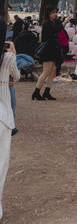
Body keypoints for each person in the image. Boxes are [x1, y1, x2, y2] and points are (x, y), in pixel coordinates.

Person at [0, 18, 19, 218]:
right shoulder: (8, 58)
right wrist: (12, 51)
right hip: (2, 115)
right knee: (0, 163)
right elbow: (17, 77)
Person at [32, 5, 61, 101]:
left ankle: (47, 92)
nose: (55, 14)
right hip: (48, 50)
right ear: (48, 13)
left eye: (56, 12)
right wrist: (64, 22)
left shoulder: (53, 22)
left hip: (54, 49)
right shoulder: (47, 23)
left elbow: (58, 29)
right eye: (53, 12)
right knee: (46, 72)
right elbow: (55, 31)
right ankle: (36, 92)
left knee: (53, 71)